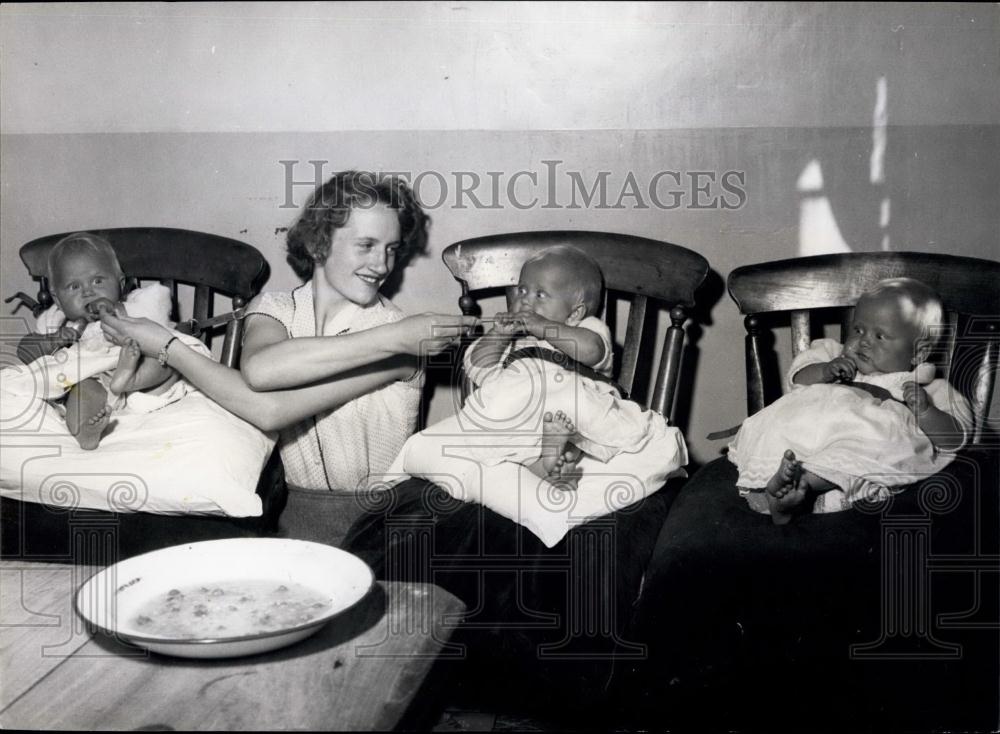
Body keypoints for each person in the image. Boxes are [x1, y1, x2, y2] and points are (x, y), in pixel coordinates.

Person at [99, 171, 476, 534]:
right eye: (366, 245)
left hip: (383, 522)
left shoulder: (401, 344)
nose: (382, 265)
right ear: (319, 244)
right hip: (295, 514)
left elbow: (270, 409)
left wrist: (167, 346)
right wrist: (168, 345)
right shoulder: (277, 309)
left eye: (391, 249)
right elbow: (263, 372)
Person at [389, 245, 687, 496]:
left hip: (567, 400)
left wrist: (543, 328)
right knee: (481, 422)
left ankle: (559, 452)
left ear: (576, 312)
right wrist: (498, 336)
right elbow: (477, 366)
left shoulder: (585, 328)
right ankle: (546, 463)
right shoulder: (514, 341)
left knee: (575, 409)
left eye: (540, 295)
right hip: (517, 403)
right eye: (521, 290)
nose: (525, 300)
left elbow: (593, 351)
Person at [727, 277, 972, 524]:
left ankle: (797, 488)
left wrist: (926, 411)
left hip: (859, 448)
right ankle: (773, 491)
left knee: (881, 445)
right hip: (809, 430)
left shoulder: (926, 386)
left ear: (918, 351)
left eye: (880, 336)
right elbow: (798, 378)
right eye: (858, 329)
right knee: (780, 428)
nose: (863, 341)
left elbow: (954, 438)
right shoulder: (833, 353)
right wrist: (825, 371)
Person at [15, 233, 199, 450]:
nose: (88, 292)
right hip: (94, 378)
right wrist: (52, 340)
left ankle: (131, 381)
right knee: (82, 391)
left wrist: (119, 317)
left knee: (168, 358)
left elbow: (160, 331)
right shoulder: (57, 320)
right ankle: (86, 430)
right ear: (57, 299)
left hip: (136, 368)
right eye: (74, 287)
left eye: (98, 281)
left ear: (120, 284)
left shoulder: (131, 308)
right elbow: (24, 351)